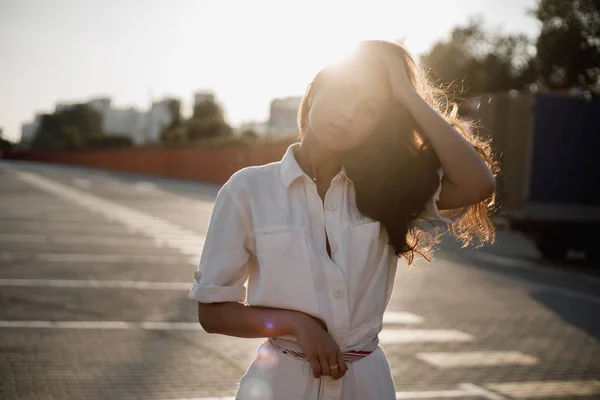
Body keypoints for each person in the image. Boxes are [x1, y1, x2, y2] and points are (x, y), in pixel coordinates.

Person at [188, 40, 499, 400]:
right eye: (345, 93)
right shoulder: (248, 189)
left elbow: (478, 183)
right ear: (316, 90)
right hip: (278, 387)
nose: (350, 113)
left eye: (370, 108)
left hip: (366, 386)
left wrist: (407, 96)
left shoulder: (389, 190)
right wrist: (295, 324)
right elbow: (212, 314)